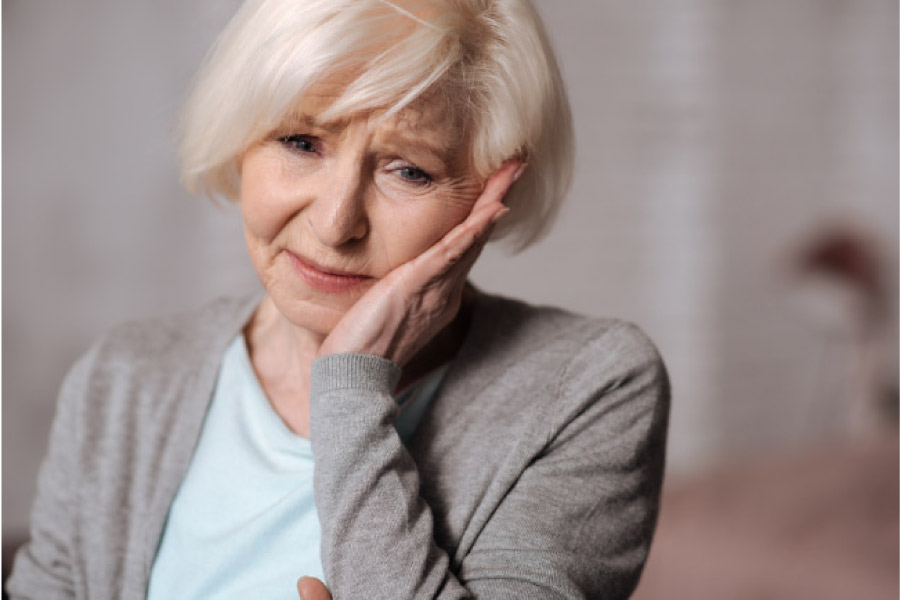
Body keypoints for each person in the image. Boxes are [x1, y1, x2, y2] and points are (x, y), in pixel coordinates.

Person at [7, 1, 670, 598]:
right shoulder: (126, 376)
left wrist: (351, 387)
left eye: (408, 169)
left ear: (493, 195)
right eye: (302, 143)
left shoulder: (592, 384)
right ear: (240, 141)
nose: (335, 223)